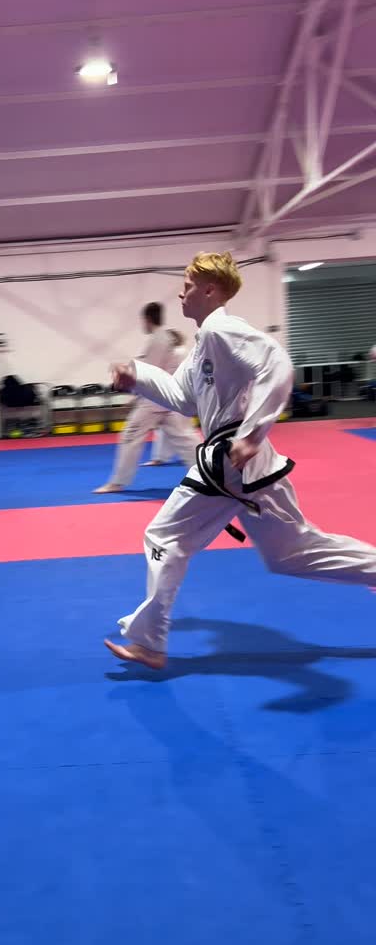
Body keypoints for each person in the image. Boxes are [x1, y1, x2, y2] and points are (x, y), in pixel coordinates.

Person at [104, 251, 376, 669]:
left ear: (210, 290)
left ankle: (148, 642)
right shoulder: (205, 342)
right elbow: (182, 397)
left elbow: (278, 364)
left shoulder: (222, 329)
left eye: (188, 286)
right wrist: (138, 376)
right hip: (244, 463)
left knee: (164, 537)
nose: (181, 293)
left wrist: (252, 432)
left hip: (233, 455)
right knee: (291, 553)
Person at [94, 303, 199, 493]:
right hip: (165, 397)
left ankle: (117, 482)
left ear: (147, 319)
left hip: (155, 399)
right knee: (184, 437)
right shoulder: (163, 338)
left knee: (130, 435)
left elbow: (148, 371)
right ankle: (209, 472)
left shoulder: (158, 339)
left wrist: (126, 375)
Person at [146, 329, 193, 465]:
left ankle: (162, 457)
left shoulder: (179, 352)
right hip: (176, 392)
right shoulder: (180, 351)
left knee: (177, 427)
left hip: (178, 392)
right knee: (174, 427)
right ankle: (164, 457)